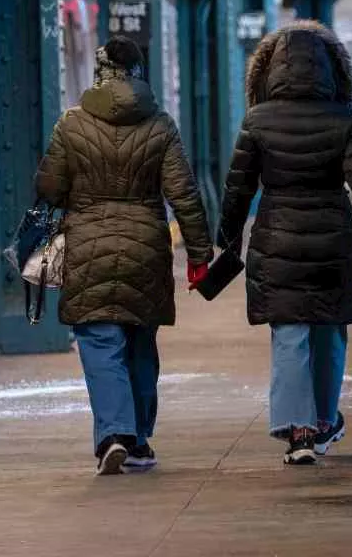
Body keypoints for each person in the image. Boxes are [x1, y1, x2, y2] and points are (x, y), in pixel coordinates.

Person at [217, 21, 352, 466]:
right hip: (331, 242)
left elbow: (237, 188)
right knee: (329, 333)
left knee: (289, 333)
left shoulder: (257, 120)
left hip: (276, 241)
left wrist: (226, 238)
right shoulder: (342, 120)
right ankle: (324, 422)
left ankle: (298, 432)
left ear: (269, 73)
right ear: (330, 71)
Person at [35, 36, 213, 476]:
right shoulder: (161, 124)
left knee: (99, 343)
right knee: (140, 344)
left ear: (98, 73)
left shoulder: (70, 124)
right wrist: (199, 253)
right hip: (145, 248)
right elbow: (184, 195)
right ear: (138, 74)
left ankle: (113, 433)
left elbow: (50, 190)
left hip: (88, 248)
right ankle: (137, 440)